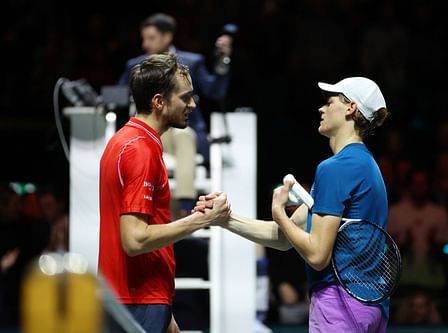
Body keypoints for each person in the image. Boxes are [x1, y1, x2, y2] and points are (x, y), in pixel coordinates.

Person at [195, 77, 390, 332]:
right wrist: (225, 219)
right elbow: (283, 237)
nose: (321, 109)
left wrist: (278, 211)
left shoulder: (336, 169)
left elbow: (317, 255)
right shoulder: (366, 165)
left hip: (339, 304)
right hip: (370, 307)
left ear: (350, 108)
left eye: (329, 102)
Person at [98, 53, 231, 333]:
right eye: (185, 98)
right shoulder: (140, 150)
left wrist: (164, 306)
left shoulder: (126, 140)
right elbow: (134, 240)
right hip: (137, 300)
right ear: (159, 102)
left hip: (138, 298)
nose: (192, 104)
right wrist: (201, 220)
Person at [118, 12, 233, 217]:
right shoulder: (136, 66)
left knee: (183, 136)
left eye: (151, 38)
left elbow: (215, 91)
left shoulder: (192, 62)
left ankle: (186, 208)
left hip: (181, 130)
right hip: (150, 129)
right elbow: (116, 97)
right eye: (143, 38)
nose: (145, 44)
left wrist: (222, 63)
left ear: (167, 37)